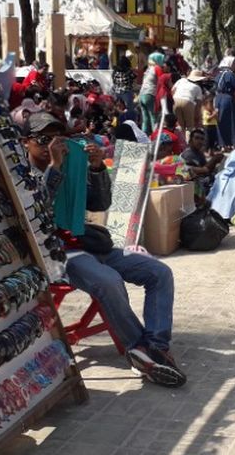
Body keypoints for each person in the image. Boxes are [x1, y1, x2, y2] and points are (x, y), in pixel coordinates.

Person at [21, 112, 185, 387]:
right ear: (26, 142)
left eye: (57, 138)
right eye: (43, 139)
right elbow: (38, 213)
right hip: (56, 254)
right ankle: (138, 347)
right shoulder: (19, 175)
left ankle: (154, 346)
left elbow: (100, 204)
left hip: (88, 243)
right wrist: (54, 167)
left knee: (159, 272)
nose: (52, 144)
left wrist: (96, 169)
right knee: (108, 281)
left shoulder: (72, 163)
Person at [212, 53, 235, 151]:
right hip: (227, 98)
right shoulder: (230, 74)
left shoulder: (219, 74)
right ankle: (233, 144)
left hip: (218, 98)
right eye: (233, 64)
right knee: (231, 121)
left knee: (220, 121)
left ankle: (223, 144)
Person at [180, 128, 222, 196]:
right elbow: (203, 170)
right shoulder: (188, 154)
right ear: (190, 140)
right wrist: (214, 160)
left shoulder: (199, 153)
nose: (199, 141)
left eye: (202, 139)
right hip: (194, 188)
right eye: (197, 138)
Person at [136, 52, 164, 134]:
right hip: (150, 94)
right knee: (153, 117)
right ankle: (155, 137)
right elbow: (162, 81)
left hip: (142, 95)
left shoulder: (148, 69)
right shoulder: (157, 68)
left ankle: (144, 137)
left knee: (145, 119)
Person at [172, 69, 206, 134]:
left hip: (175, 100)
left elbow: (172, 90)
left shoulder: (181, 80)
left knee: (180, 125)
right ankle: (188, 143)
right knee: (189, 126)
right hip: (188, 102)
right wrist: (197, 117)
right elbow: (198, 104)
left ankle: (181, 142)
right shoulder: (197, 87)